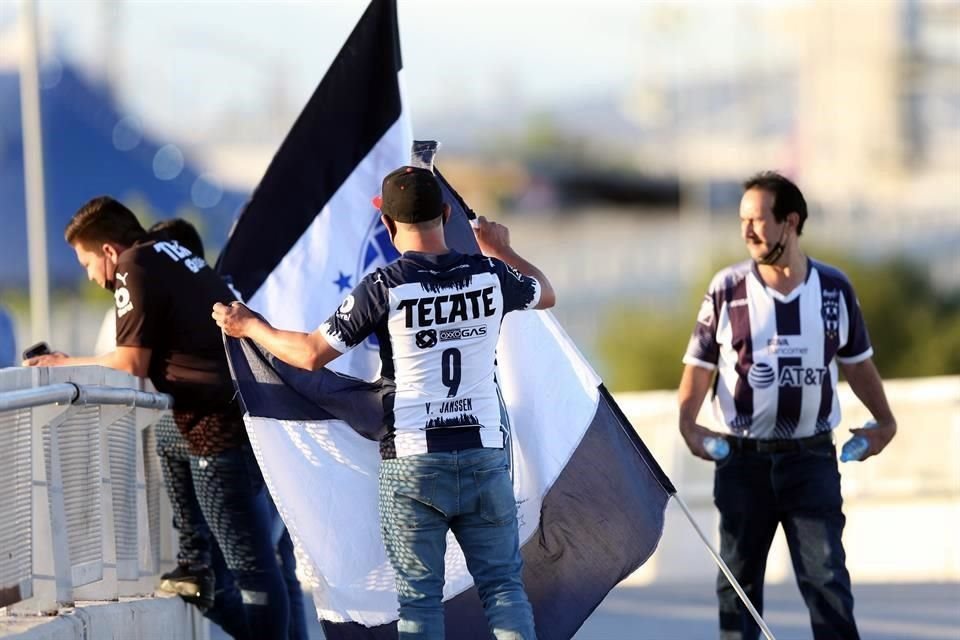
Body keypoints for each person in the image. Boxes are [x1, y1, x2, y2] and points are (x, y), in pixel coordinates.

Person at [214, 166, 555, 640]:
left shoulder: (384, 286)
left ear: (389, 225)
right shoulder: (492, 274)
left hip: (413, 462)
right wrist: (499, 247)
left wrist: (251, 326)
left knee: (419, 601)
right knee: (502, 590)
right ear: (446, 213)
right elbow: (547, 292)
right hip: (483, 455)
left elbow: (310, 354)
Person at [24, 197, 289, 640]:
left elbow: (131, 363)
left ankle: (202, 569)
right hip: (220, 419)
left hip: (216, 429)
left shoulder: (133, 264)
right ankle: (193, 559)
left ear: (109, 251)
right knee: (167, 436)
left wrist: (64, 362)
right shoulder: (168, 250)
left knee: (252, 570)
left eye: (88, 262)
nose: (90, 276)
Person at [677, 171, 897, 640]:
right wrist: (688, 427)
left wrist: (885, 422)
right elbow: (698, 367)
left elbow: (858, 365)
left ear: (790, 222)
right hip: (741, 462)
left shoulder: (834, 288)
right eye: (743, 220)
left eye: (757, 220)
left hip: (811, 459)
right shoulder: (727, 288)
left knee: (827, 584)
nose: (747, 231)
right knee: (737, 589)